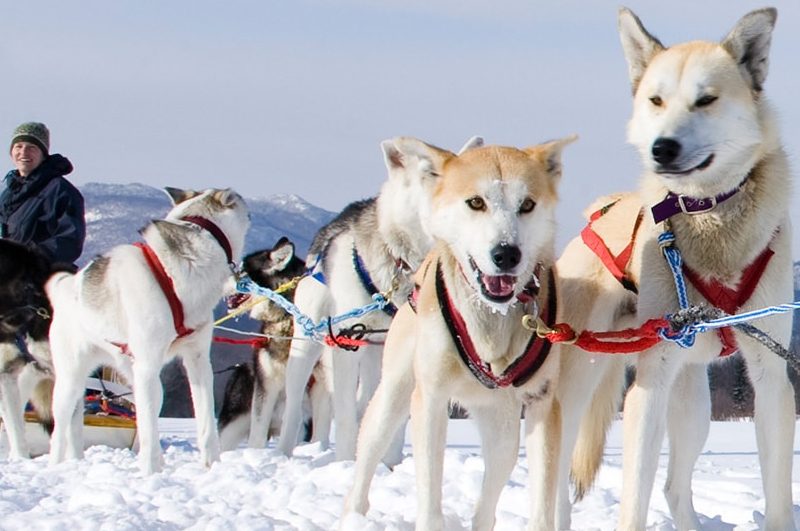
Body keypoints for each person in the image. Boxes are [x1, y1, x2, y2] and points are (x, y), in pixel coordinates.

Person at [0, 122, 85, 267]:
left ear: (43, 154)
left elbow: (70, 239)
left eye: (31, 147)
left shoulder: (60, 190)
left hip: (42, 275)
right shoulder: (8, 194)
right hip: (9, 274)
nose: (24, 152)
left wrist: (32, 256)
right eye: (18, 146)